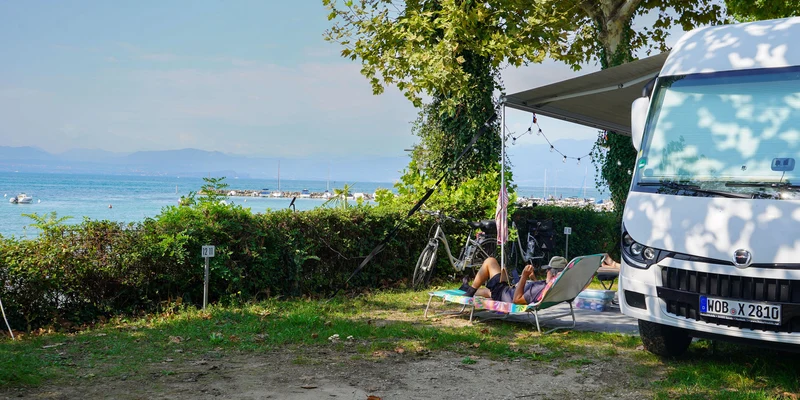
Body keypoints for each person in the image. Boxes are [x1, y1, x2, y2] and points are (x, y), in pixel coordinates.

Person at [458, 256, 569, 305]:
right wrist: (533, 279)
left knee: (490, 261)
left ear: (552, 272)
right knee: (488, 292)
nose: (546, 271)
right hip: (508, 292)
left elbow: (517, 299)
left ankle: (470, 291)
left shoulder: (542, 288)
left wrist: (524, 276)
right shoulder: (553, 286)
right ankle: (466, 287)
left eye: (548, 270)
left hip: (506, 295)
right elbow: (535, 290)